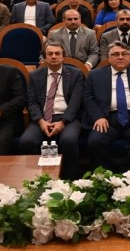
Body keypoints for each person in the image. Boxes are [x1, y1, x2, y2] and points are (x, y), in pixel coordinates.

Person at [83, 41, 130, 173]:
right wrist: (98, 117)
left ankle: (127, 174)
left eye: (124, 54)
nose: (120, 57)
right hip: (107, 118)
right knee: (95, 142)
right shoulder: (95, 74)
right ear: (109, 58)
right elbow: (88, 98)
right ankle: (109, 174)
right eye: (115, 54)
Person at [20, 42, 85, 179]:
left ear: (63, 57)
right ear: (44, 58)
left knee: (69, 140)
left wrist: (63, 122)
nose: (54, 56)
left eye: (57, 53)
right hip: (42, 117)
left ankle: (68, 180)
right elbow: (31, 102)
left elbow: (76, 102)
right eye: (50, 54)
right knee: (27, 141)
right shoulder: (35, 75)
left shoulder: (75, 74)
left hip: (67, 118)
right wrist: (41, 121)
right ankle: (37, 179)